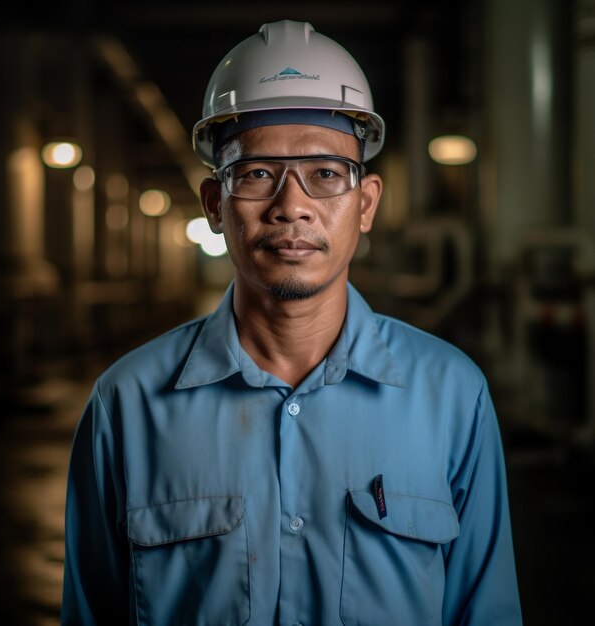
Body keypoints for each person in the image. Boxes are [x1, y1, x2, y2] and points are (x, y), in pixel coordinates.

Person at [62, 20, 522, 625]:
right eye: (256, 174)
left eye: (327, 174)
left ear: (366, 204)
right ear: (214, 206)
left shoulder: (451, 396)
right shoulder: (127, 404)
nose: (292, 205)